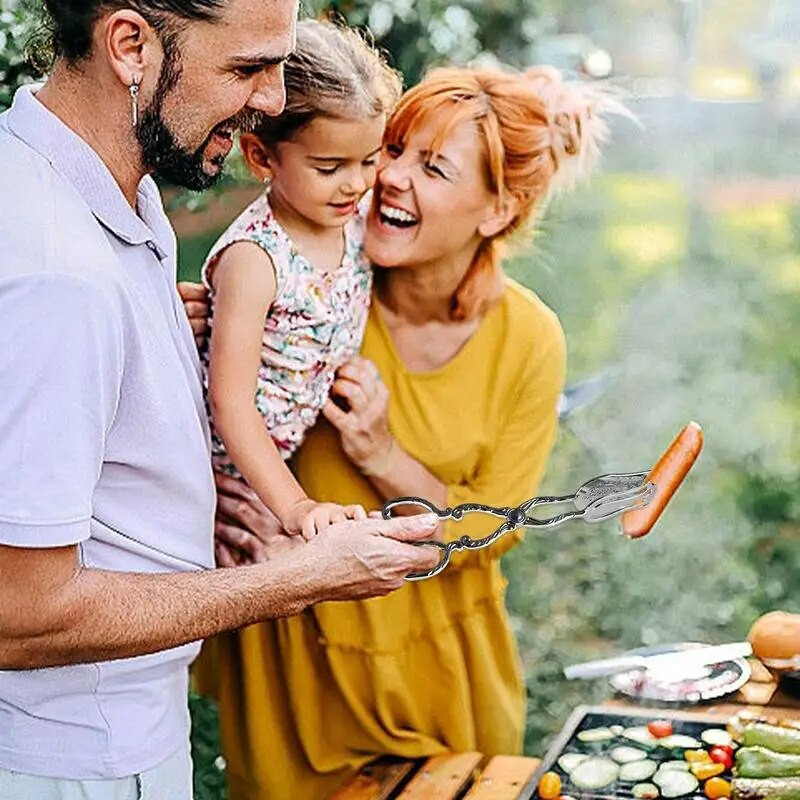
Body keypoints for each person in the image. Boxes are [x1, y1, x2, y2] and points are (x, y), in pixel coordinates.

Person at [0, 2, 439, 797]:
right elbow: (18, 614)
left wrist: (153, 325)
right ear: (130, 46)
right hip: (78, 759)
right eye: (247, 69)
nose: (274, 102)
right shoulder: (59, 278)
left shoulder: (97, 194)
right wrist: (300, 577)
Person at [189, 64, 623, 798]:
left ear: (495, 211)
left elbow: (497, 527)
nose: (387, 178)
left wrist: (380, 454)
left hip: (434, 672)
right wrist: (189, 324)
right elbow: (227, 387)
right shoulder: (316, 279)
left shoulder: (528, 340)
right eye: (391, 149)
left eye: (433, 168)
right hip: (294, 666)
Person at [201, 19, 402, 543]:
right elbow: (230, 401)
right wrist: (294, 503)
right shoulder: (256, 258)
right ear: (262, 156)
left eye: (369, 160)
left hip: (273, 459)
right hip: (216, 468)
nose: (356, 183)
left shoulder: (354, 226)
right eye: (329, 166)